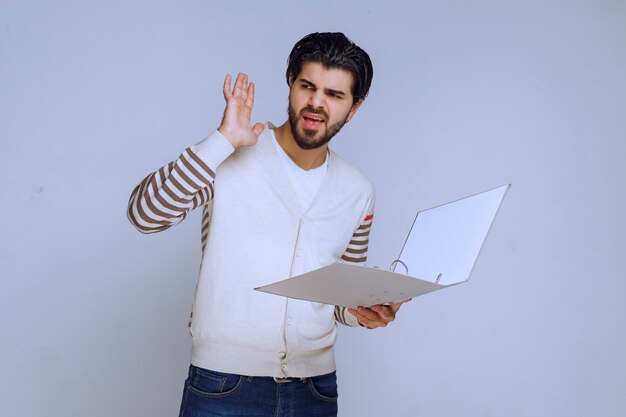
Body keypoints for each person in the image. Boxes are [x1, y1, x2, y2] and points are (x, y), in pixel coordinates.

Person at [127, 32, 409, 417]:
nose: (316, 103)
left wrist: (365, 309)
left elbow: (339, 296)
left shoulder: (357, 191)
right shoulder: (231, 155)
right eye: (307, 86)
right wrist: (223, 140)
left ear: (354, 107)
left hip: (316, 390)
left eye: (334, 94)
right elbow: (145, 214)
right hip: (223, 384)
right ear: (290, 82)